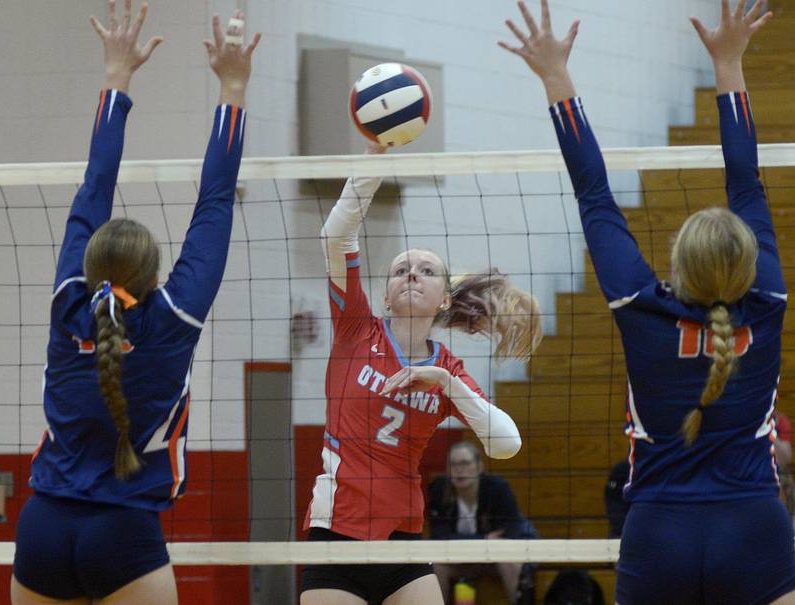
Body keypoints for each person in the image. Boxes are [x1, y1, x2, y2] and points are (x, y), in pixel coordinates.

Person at [500, 0, 795, 603]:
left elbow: (594, 193)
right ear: (745, 259)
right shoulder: (767, 296)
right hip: (756, 529)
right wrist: (731, 63)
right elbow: (747, 180)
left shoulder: (641, 305)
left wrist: (556, 77)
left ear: (677, 264)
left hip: (660, 534)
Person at [11, 2, 261, 603]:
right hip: (123, 532)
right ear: (155, 277)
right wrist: (232, 85)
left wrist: (116, 75)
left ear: (89, 262)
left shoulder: (68, 303)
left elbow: (93, 183)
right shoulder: (172, 320)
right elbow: (216, 201)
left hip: (41, 526)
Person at [299, 144, 543, 605]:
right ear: (386, 298)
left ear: (444, 299)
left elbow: (506, 444)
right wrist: (371, 161)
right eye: (400, 270)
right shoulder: (356, 328)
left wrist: (445, 384)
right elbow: (336, 238)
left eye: (426, 271)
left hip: (403, 539)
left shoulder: (447, 369)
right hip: (337, 536)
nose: (411, 274)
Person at [428, 440, 539, 605]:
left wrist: (466, 542)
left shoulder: (497, 488)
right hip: (462, 560)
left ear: (479, 466)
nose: (459, 470)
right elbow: (439, 538)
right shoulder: (438, 489)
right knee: (435, 564)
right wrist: (484, 540)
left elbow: (511, 532)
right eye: (453, 464)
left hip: (495, 559)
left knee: (510, 560)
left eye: (465, 463)